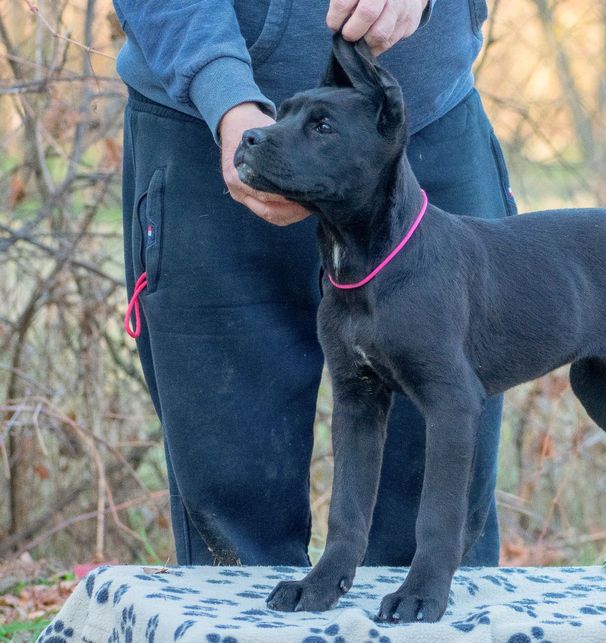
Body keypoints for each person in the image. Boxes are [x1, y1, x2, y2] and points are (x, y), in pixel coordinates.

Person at [114, 0, 515, 567]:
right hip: (208, 128)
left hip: (424, 127)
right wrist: (225, 95)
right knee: (239, 534)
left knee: (435, 541)